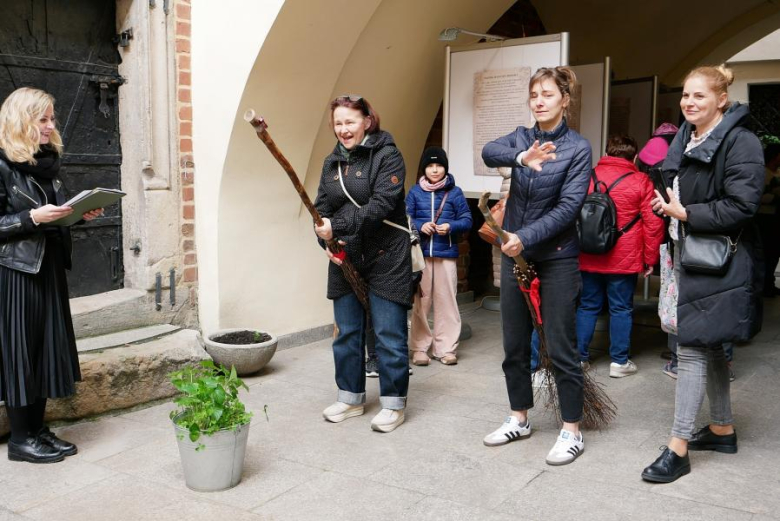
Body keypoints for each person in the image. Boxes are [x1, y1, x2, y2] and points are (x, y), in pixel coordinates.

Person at [641, 65, 764, 483]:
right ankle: (723, 429)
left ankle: (677, 448)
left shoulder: (740, 141)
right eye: (686, 96)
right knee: (708, 345)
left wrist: (686, 212)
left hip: (719, 259)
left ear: (721, 100)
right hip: (689, 252)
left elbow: (742, 206)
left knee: (691, 344)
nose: (689, 103)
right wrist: (669, 206)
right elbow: (680, 187)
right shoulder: (687, 135)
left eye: (699, 96)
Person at [481, 66, 592, 465]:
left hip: (556, 258)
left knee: (561, 347)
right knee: (514, 345)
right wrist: (520, 157)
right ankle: (519, 418)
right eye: (534, 95)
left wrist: (523, 237)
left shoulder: (578, 149)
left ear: (565, 99)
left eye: (547, 94)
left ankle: (571, 430)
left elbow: (568, 209)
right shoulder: (522, 137)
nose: (539, 101)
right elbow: (488, 152)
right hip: (516, 257)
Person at [0, 87, 103, 463]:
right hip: (16, 271)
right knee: (20, 352)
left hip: (48, 266)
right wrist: (30, 218)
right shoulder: (2, 163)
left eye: (51, 118)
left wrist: (77, 213)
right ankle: (21, 439)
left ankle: (38, 429)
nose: (50, 125)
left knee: (43, 349)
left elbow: (55, 211)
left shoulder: (47, 162)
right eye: (42, 119)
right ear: (22, 120)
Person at [313, 95, 412, 433]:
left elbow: (383, 204)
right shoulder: (331, 163)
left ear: (367, 121)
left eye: (350, 122)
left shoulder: (388, 155)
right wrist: (325, 240)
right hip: (346, 256)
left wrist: (336, 226)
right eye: (338, 123)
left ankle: (394, 403)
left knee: (388, 333)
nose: (343, 129)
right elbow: (320, 210)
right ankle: (351, 397)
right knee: (347, 332)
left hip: (387, 254)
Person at [577, 135, 665, 377]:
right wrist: (649, 259)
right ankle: (619, 362)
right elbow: (653, 224)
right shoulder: (641, 181)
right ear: (634, 156)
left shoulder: (587, 176)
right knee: (621, 308)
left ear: (607, 152)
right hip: (623, 259)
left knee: (587, 305)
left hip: (588, 254)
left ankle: (580, 358)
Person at [406, 147, 472, 366]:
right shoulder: (415, 192)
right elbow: (405, 219)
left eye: (439, 165)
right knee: (421, 302)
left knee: (447, 302)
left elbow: (467, 220)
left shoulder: (455, 192)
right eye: (430, 165)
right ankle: (419, 348)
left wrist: (450, 226)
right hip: (421, 255)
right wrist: (420, 225)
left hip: (447, 254)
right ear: (424, 168)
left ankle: (446, 349)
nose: (435, 170)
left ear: (445, 167)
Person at [757, 143, 780, 297]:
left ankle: (769, 282)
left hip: (776, 218)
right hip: (764, 218)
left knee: (774, 252)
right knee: (765, 252)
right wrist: (776, 197)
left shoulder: (777, 173)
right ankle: (763, 284)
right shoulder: (762, 173)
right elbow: (758, 196)